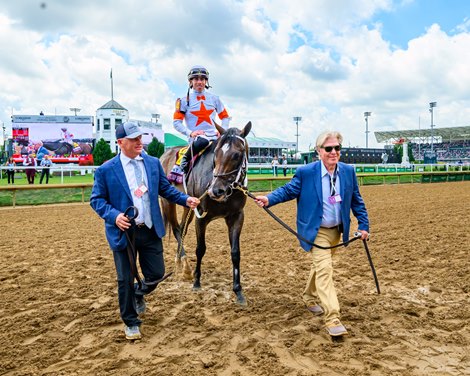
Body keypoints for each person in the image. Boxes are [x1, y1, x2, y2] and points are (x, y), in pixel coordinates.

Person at [90, 121, 200, 341]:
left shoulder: (152, 164)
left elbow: (166, 189)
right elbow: (97, 200)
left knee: (156, 274)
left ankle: (137, 294)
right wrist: (114, 216)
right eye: (134, 139)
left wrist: (185, 199)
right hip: (124, 233)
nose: (139, 142)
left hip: (150, 229)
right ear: (121, 143)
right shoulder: (105, 170)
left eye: (140, 138)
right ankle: (131, 322)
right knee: (124, 279)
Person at [255, 130, 369, 337]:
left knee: (320, 267)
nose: (334, 152)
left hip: (338, 230)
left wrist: (364, 225)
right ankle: (332, 317)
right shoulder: (306, 172)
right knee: (325, 270)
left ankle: (309, 296)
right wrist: (269, 198)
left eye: (337, 148)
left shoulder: (348, 171)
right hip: (316, 231)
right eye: (329, 148)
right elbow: (289, 190)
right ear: (319, 151)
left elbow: (356, 200)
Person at [173, 65, 230, 174]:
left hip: (215, 137)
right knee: (202, 140)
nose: (199, 82)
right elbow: (176, 123)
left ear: (206, 81)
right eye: (196, 79)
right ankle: (185, 159)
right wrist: (191, 133)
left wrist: (222, 131)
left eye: (202, 79)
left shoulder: (215, 99)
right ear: (190, 81)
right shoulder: (183, 101)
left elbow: (225, 117)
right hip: (197, 140)